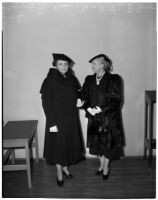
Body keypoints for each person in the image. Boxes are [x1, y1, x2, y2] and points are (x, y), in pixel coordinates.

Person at [40, 53, 85, 187]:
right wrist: (52, 123)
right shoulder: (49, 80)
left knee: (68, 146)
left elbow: (78, 94)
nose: (64, 66)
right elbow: (46, 103)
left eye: (66, 64)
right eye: (60, 64)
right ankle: (59, 172)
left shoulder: (72, 79)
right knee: (59, 148)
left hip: (71, 119)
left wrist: (80, 101)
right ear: (55, 65)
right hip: (56, 120)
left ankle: (65, 169)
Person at [80, 54, 124, 180]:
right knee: (98, 144)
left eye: (94, 63)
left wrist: (101, 109)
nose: (92, 66)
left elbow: (116, 99)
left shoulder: (114, 79)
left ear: (102, 64)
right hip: (95, 119)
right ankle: (101, 165)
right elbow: (84, 96)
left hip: (109, 118)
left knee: (108, 145)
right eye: (92, 63)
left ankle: (106, 167)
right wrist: (87, 107)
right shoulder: (89, 79)